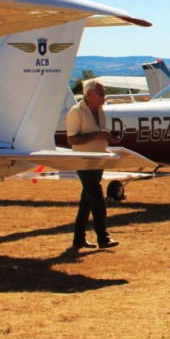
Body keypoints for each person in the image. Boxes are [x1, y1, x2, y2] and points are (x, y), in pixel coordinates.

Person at [65, 80, 117, 250]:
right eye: (101, 93)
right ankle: (103, 237)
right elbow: (72, 139)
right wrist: (97, 135)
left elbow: (100, 134)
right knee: (96, 196)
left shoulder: (102, 111)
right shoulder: (76, 112)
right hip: (83, 160)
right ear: (89, 95)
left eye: (104, 92)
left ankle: (78, 238)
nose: (104, 96)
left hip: (99, 158)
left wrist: (108, 137)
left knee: (87, 199)